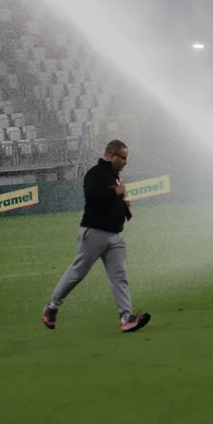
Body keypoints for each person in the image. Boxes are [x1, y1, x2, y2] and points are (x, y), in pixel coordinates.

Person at [42, 140, 151, 334]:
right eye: (123, 157)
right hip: (94, 233)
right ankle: (52, 307)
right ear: (110, 155)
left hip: (115, 236)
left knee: (120, 278)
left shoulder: (114, 176)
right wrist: (116, 193)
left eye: (127, 157)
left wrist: (123, 205)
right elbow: (93, 196)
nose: (126, 162)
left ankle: (127, 318)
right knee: (78, 273)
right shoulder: (96, 173)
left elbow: (110, 198)